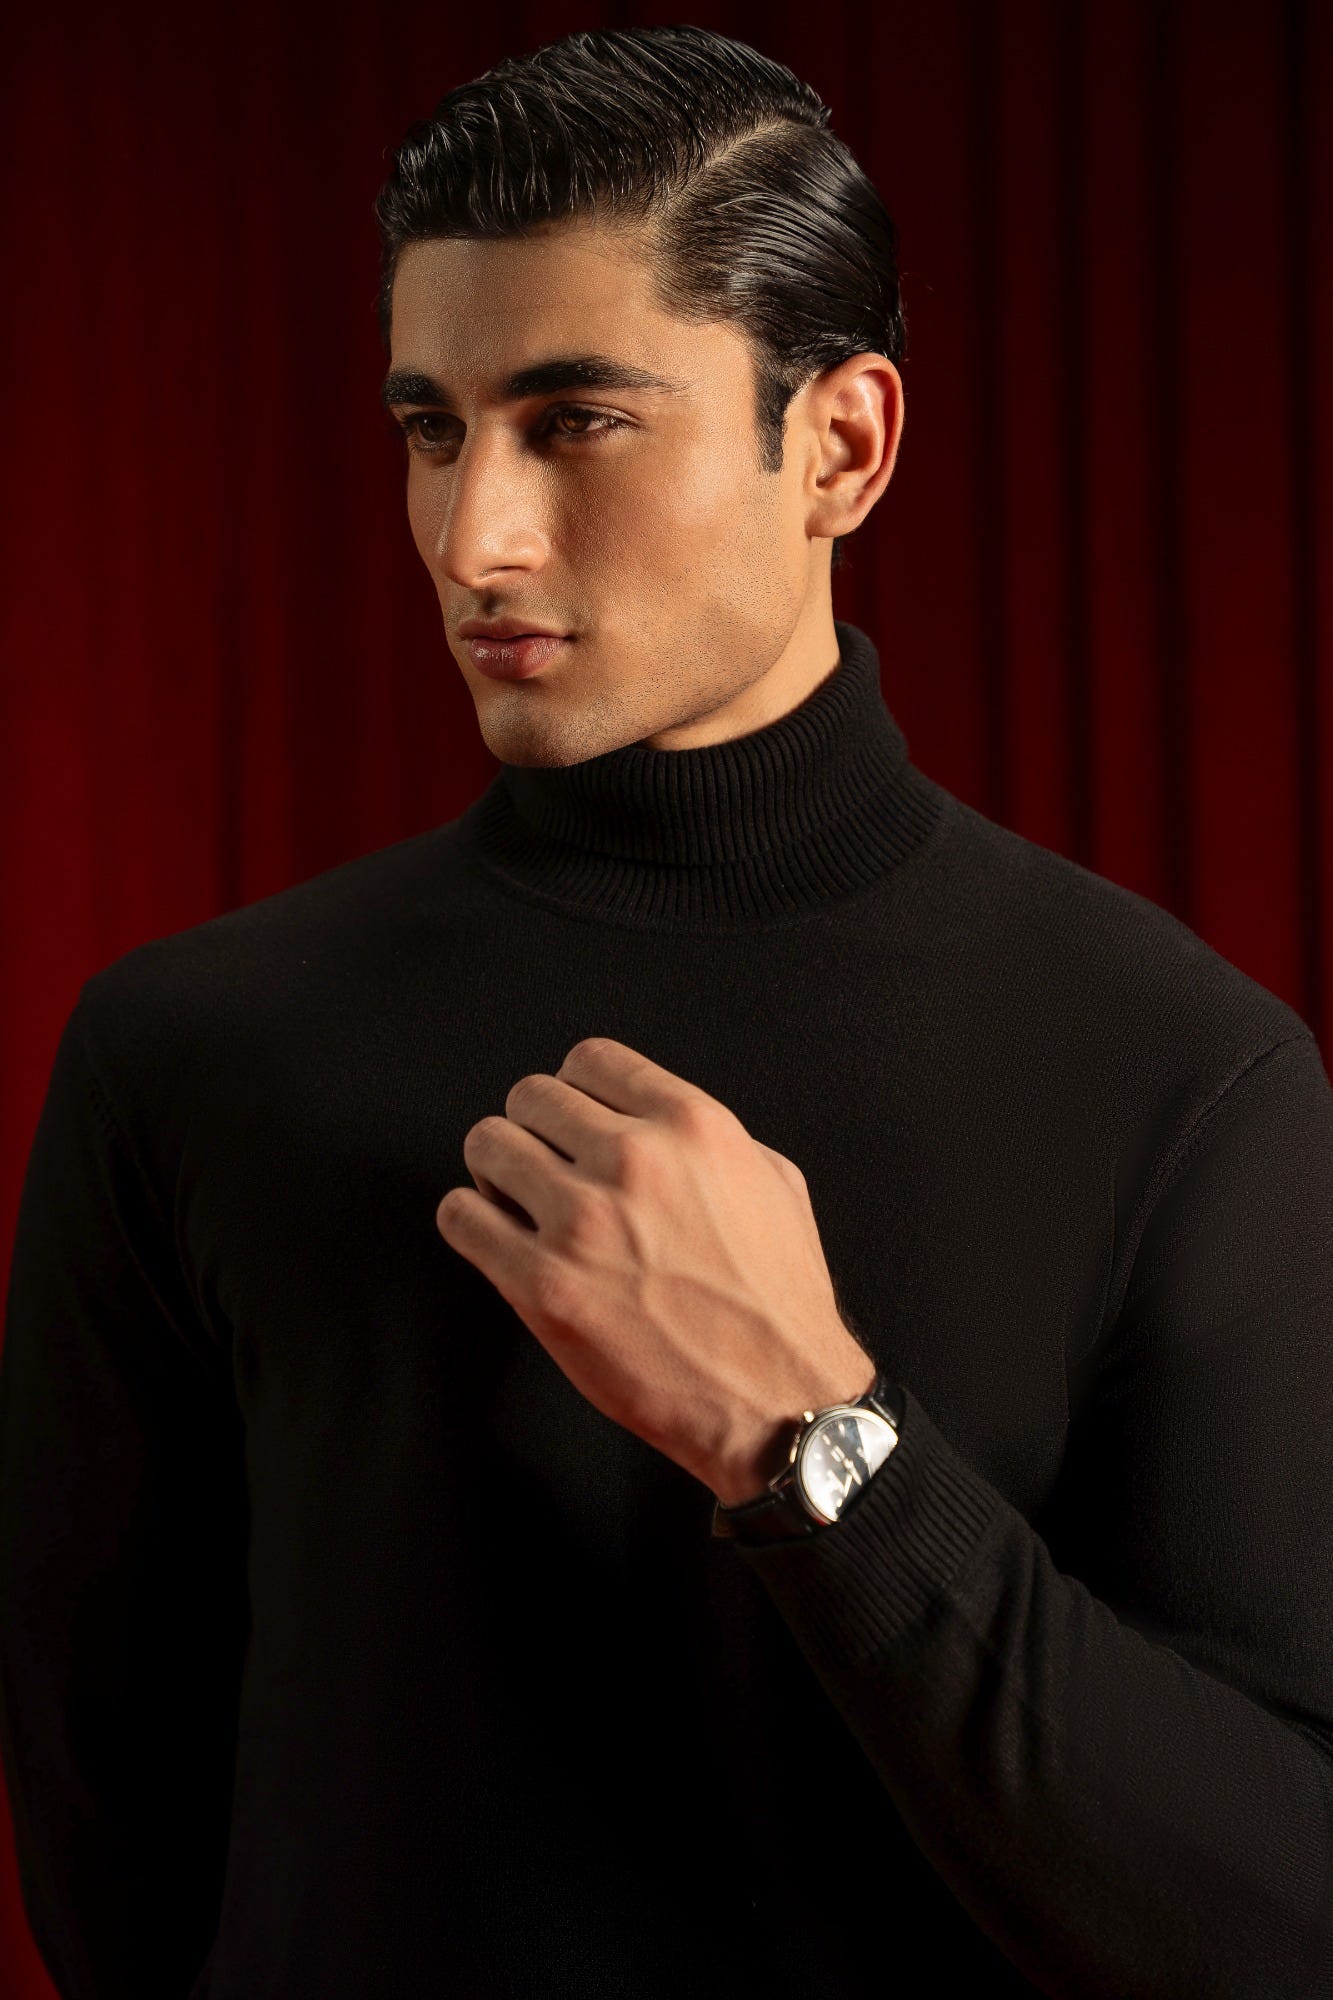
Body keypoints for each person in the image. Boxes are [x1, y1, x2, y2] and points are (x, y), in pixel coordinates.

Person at [2, 22, 1331, 1999]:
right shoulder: (184, 1055)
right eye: (432, 428)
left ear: (842, 447)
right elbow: (116, 1870)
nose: (475, 536)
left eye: (577, 421)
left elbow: (1281, 1919)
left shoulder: (1183, 1076)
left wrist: (811, 1437)